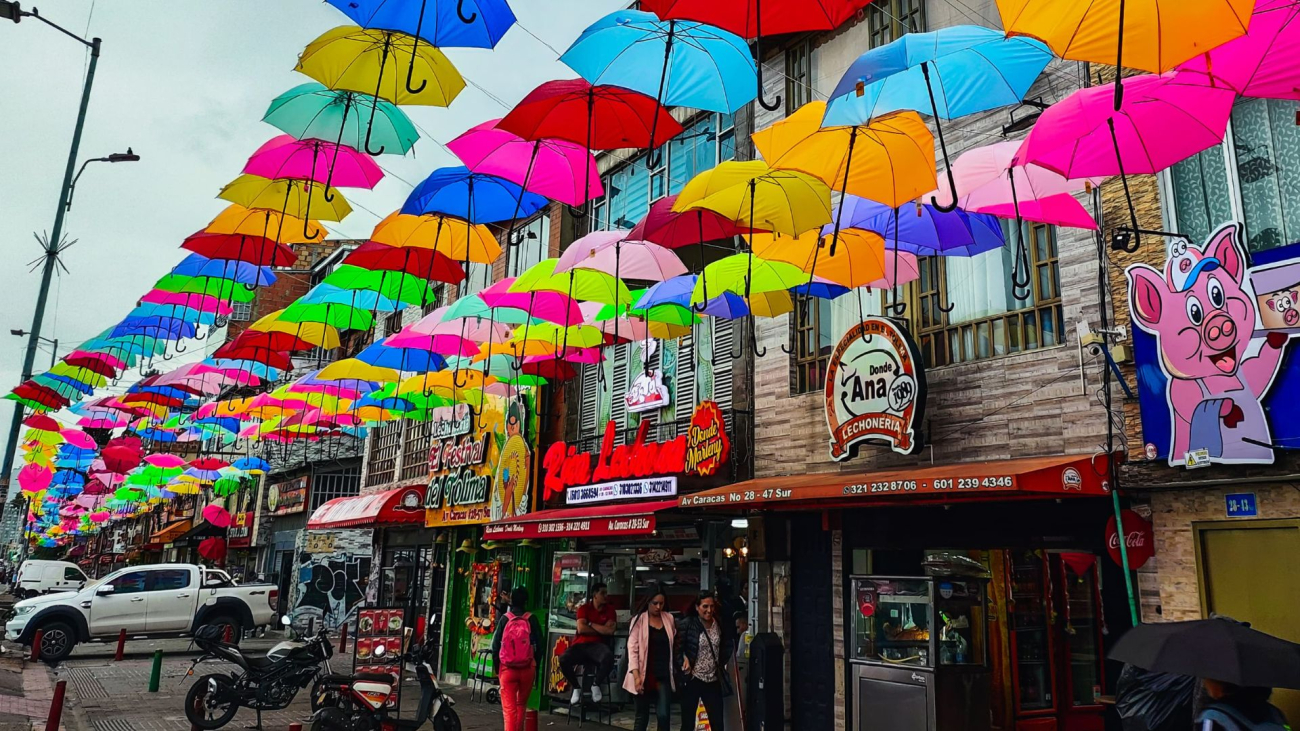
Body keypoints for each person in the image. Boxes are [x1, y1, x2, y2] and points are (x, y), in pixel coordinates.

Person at [675, 591, 735, 731]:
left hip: (712, 679)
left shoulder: (718, 623)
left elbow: (727, 644)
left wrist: (720, 663)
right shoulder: (688, 624)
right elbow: (677, 649)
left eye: (712, 606)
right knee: (688, 723)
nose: (709, 610)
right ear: (697, 607)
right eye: (705, 606)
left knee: (717, 723)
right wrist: (684, 661)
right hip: (693, 679)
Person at [491, 587, 544, 731]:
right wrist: (535, 665)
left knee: (509, 710)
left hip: (507, 670)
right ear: (526, 601)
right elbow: (541, 645)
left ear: (511, 600)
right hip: (527, 669)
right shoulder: (531, 619)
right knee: (521, 705)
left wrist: (498, 669)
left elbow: (495, 647)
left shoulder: (504, 619)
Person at [624, 587, 676, 731]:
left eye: (661, 603)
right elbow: (632, 650)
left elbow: (675, 643)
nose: (658, 607)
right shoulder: (638, 620)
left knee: (664, 716)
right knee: (642, 717)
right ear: (648, 602)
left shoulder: (669, 619)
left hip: (663, 673)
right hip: (642, 674)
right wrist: (636, 677)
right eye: (655, 603)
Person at [559, 582, 617, 704]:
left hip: (598, 646)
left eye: (606, 593)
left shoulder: (610, 610)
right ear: (595, 595)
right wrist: (601, 629)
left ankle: (596, 684)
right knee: (563, 659)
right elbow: (581, 629)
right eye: (603, 593)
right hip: (580, 645)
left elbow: (610, 631)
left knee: (609, 657)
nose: (606, 596)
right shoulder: (584, 608)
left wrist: (590, 624)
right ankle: (576, 687)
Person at [1195, 678, 1290, 730]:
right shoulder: (1275, 714)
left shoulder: (1213, 717)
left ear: (1220, 683)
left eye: (1208, 678)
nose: (1205, 682)